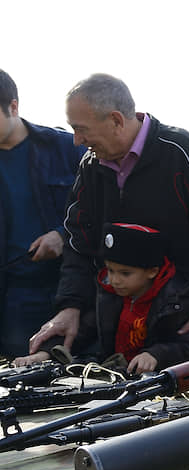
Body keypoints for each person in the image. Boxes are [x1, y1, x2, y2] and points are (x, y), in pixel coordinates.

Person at [28, 73, 189, 357]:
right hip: (115, 329)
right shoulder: (90, 166)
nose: (77, 140)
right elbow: (79, 244)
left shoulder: (181, 153)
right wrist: (71, 306)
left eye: (81, 129)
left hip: (182, 325)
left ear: (116, 120)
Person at [15, 223, 189, 374]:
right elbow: (81, 332)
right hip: (116, 377)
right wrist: (45, 353)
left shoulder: (176, 302)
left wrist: (156, 355)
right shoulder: (110, 297)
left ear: (152, 271)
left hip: (159, 385)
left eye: (125, 273)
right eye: (110, 270)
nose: (114, 280)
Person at [0, 69, 86, 359]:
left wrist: (63, 236)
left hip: (59, 295)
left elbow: (102, 211)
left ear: (13, 107)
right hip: (7, 297)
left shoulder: (66, 149)